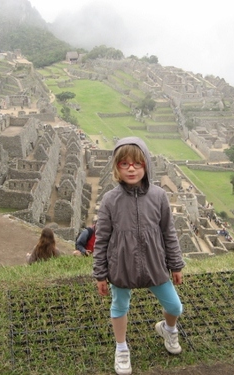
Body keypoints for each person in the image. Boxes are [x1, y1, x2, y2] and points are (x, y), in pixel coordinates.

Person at [93, 137, 185, 375]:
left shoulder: (158, 196)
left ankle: (168, 329)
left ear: (146, 166)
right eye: (124, 164)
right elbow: (101, 239)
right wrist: (100, 274)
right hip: (121, 265)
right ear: (116, 167)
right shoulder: (110, 200)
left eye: (137, 163)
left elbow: (168, 232)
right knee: (119, 306)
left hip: (155, 263)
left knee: (175, 306)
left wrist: (175, 265)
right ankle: (121, 348)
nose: (131, 168)